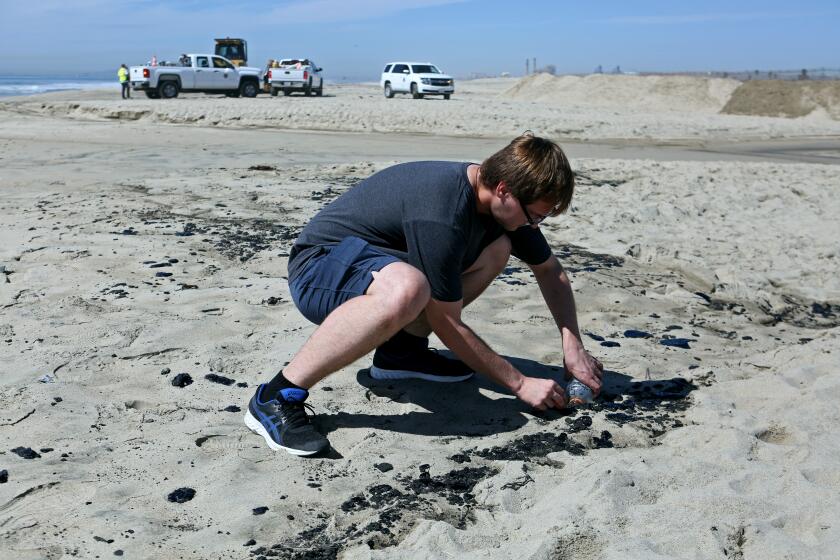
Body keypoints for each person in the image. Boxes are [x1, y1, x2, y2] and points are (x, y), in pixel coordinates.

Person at [245, 133, 605, 456]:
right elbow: (446, 321)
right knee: (409, 288)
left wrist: (572, 345)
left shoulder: (504, 207)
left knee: (496, 249)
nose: (533, 226)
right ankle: (277, 395)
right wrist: (521, 383)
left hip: (375, 263)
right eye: (534, 217)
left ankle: (401, 356)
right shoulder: (443, 211)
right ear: (504, 190)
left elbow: (549, 270)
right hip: (318, 269)